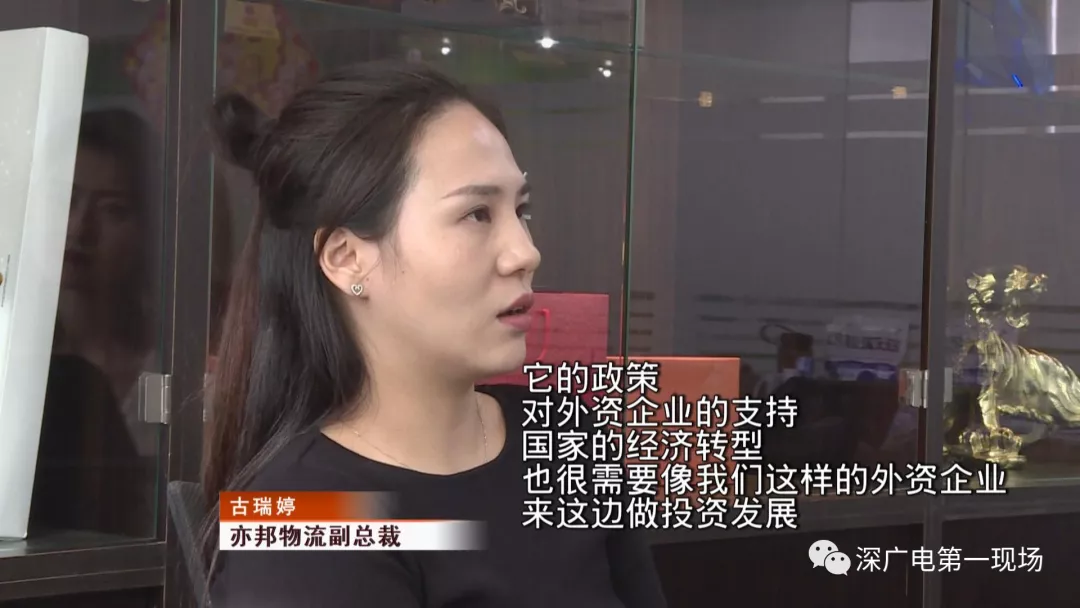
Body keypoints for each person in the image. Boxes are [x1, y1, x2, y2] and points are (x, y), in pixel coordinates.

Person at [200, 61, 667, 607]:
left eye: (521, 210)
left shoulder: (564, 436)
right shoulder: (305, 517)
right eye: (476, 214)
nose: (525, 252)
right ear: (347, 258)